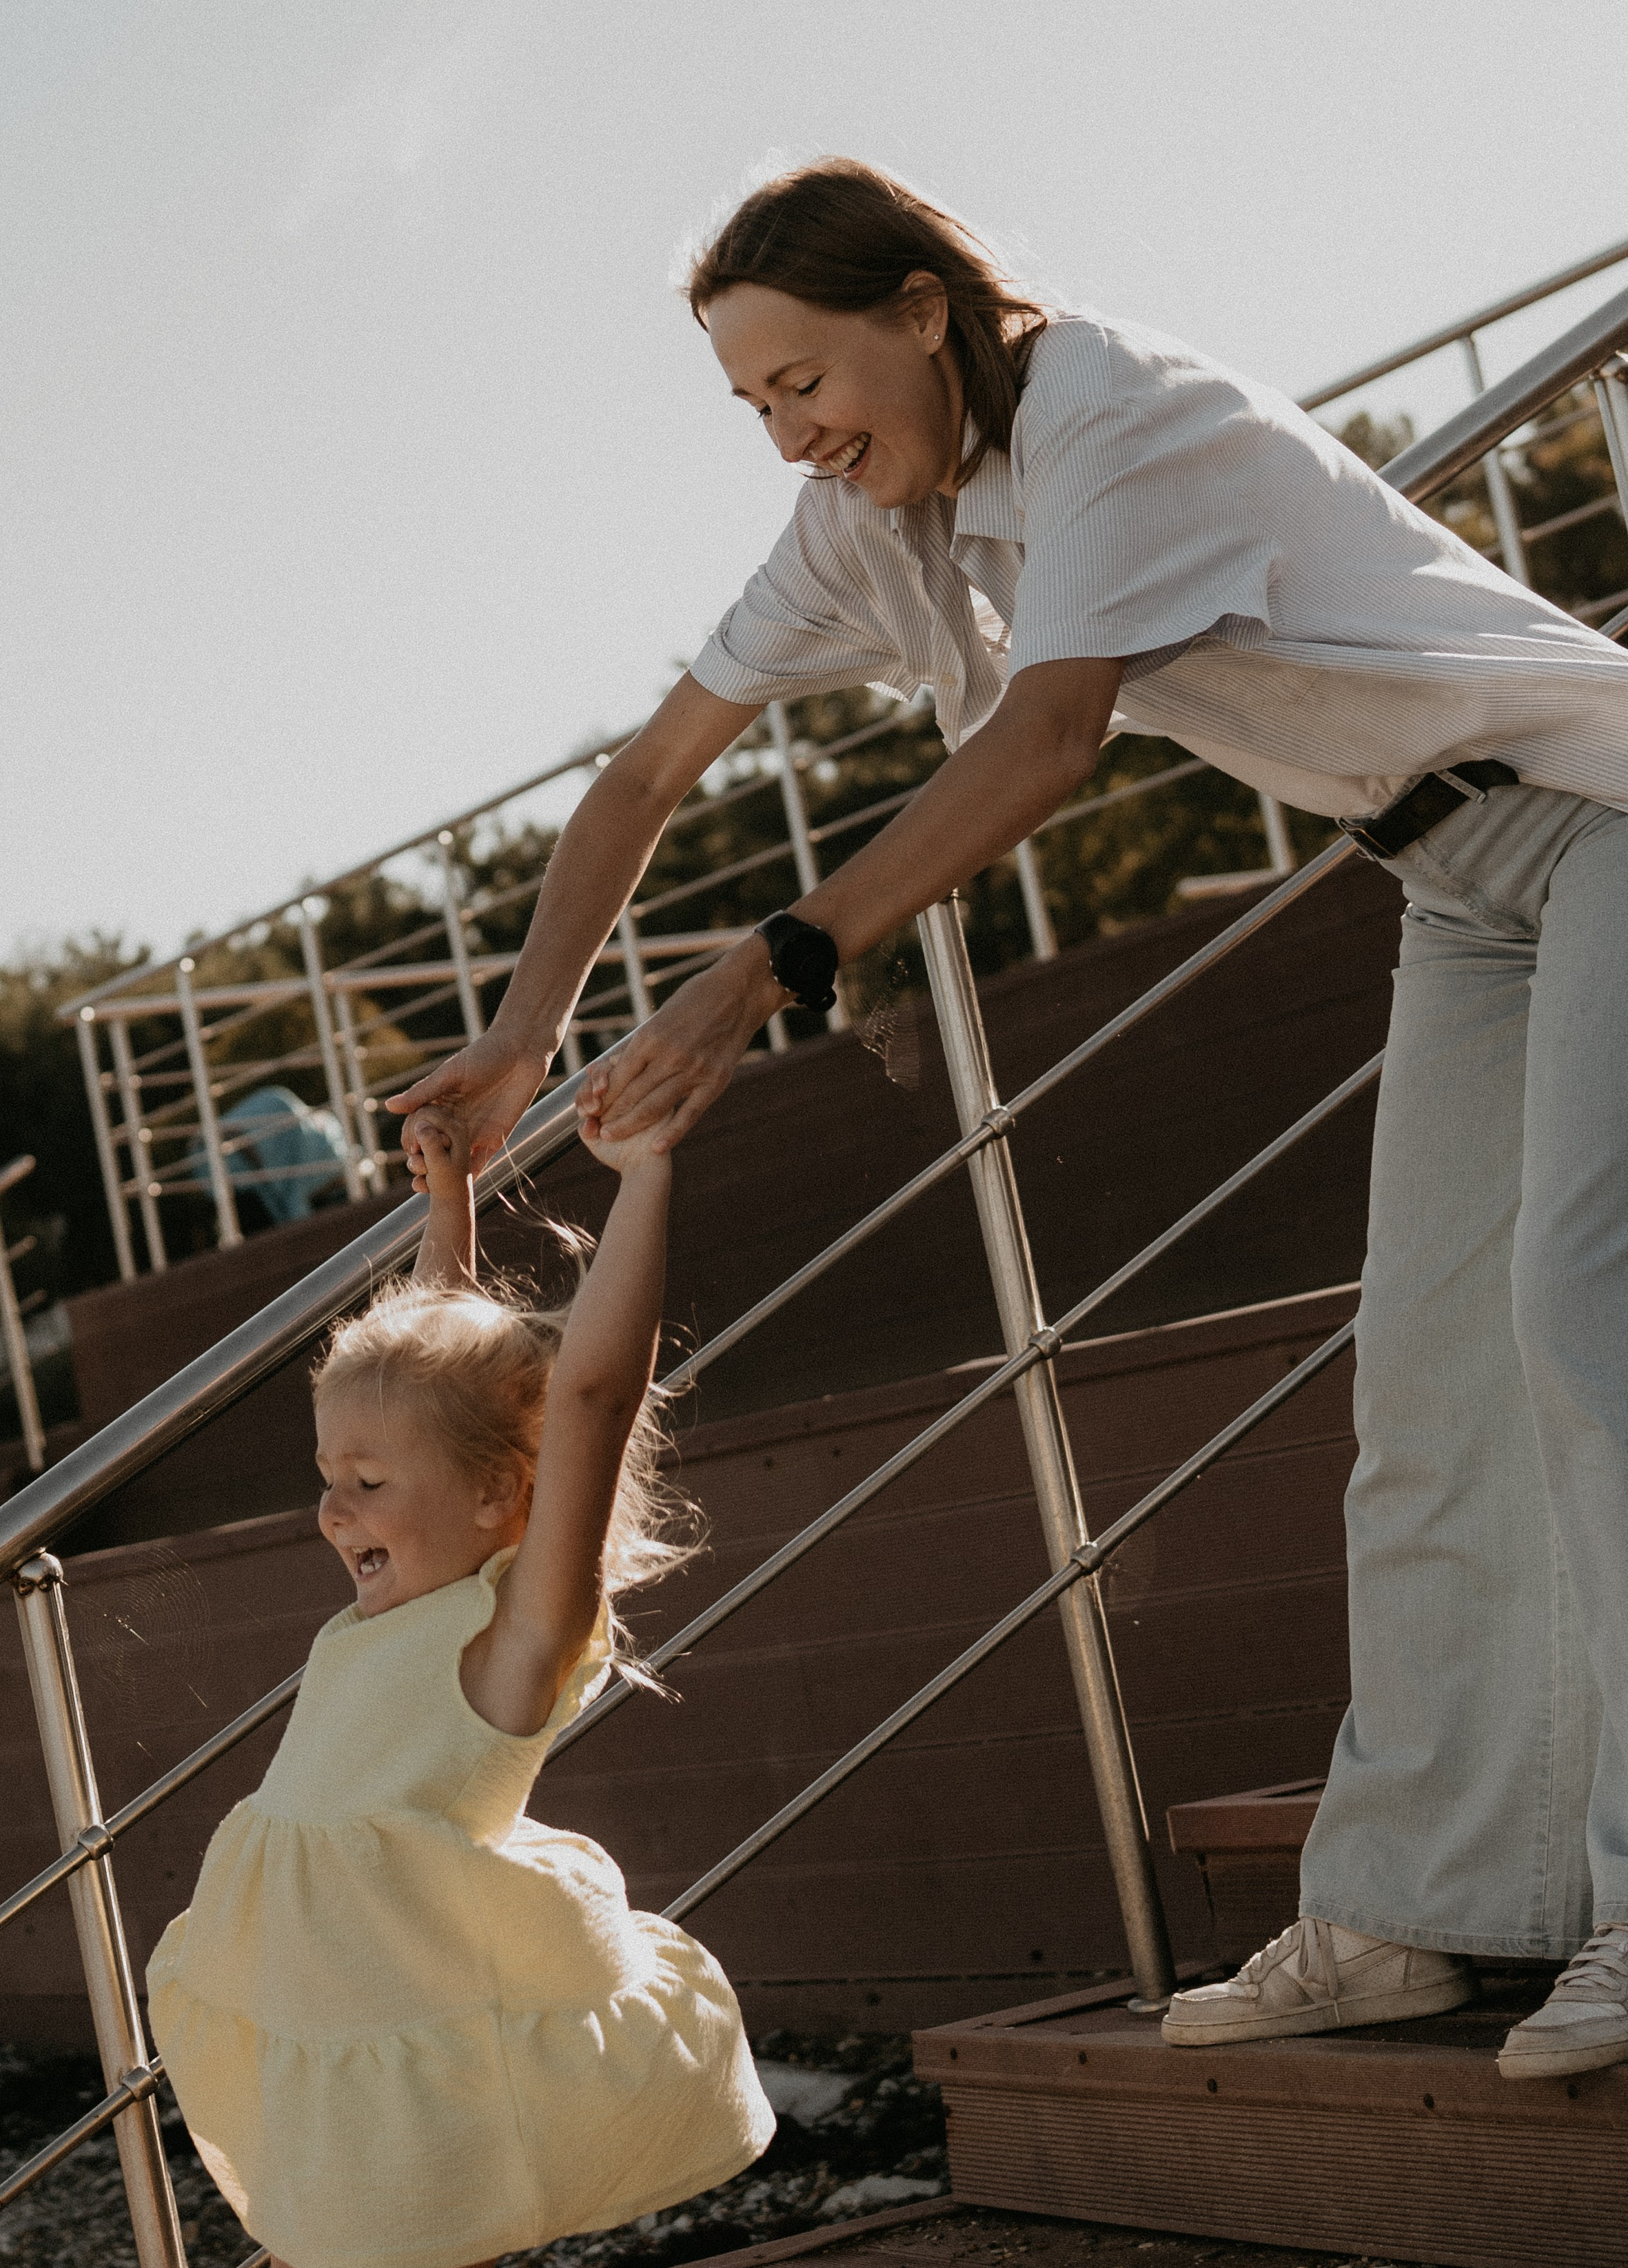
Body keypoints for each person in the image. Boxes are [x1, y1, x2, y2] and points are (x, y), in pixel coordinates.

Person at [389, 159, 1628, 2081]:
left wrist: (763, 973)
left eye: (807, 381)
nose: (793, 434)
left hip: (1602, 816)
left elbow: (1048, 742)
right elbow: (649, 771)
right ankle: (1433, 1908)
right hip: (1456, 878)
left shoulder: (1120, 414)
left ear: (921, 305)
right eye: (755, 407)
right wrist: (522, 1034)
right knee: (1434, 1381)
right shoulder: (876, 509)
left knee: (1584, 1328)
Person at [146, 1104, 773, 2268]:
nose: (331, 1510)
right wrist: (449, 1203)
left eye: (366, 1485)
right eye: (327, 1478)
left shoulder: (512, 1643)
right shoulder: (404, 1607)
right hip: (332, 2070)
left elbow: (591, 1397)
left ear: (503, 1496)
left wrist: (650, 1175)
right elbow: (450, 1386)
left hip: (412, 2092)